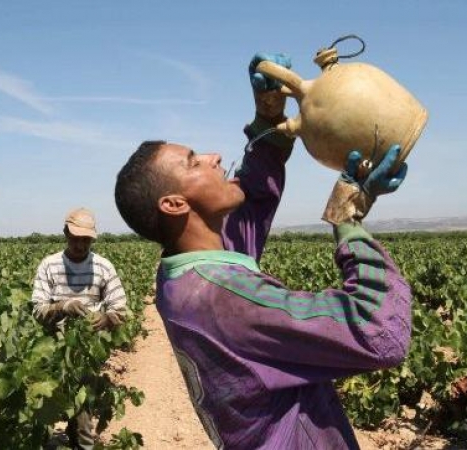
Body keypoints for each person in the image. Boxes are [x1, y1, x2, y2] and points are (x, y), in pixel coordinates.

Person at [113, 52, 413, 449]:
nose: (214, 157)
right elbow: (376, 333)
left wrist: (268, 120)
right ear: (173, 204)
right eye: (193, 162)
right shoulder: (222, 299)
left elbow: (250, 203)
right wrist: (349, 224)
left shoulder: (185, 276)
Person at [31, 207, 127, 450]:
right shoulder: (49, 265)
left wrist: (106, 319)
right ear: (65, 233)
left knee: (83, 412)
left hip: (87, 352)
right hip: (51, 349)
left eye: (86, 240)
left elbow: (121, 310)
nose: (81, 245)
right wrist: (62, 306)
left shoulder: (104, 267)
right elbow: (37, 309)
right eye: (76, 238)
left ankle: (81, 445)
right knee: (45, 410)